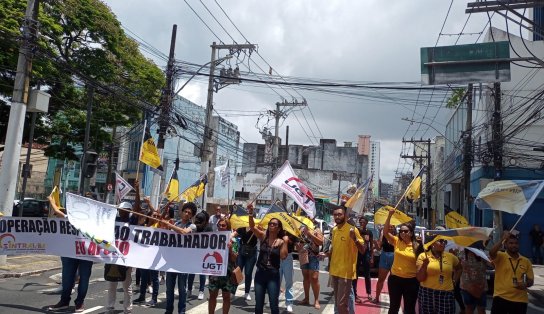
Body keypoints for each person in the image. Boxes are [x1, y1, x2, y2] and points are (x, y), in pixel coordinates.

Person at [47, 192, 94, 313]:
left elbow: (59, 213)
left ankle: (79, 302)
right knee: (67, 277)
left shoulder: (94, 221)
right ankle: (64, 301)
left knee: (84, 278)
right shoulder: (73, 217)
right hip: (69, 252)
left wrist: (51, 201)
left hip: (86, 253)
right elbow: (59, 214)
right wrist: (52, 202)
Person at [248, 204, 288, 314]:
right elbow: (252, 227)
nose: (271, 225)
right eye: (270, 223)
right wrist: (251, 213)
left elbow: (284, 256)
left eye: (274, 224)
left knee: (274, 305)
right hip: (260, 273)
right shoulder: (263, 237)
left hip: (273, 274)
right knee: (258, 305)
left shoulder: (281, 241)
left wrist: (285, 242)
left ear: (279, 228)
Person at [384, 207, 423, 314]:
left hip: (411, 281)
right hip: (395, 279)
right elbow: (385, 232)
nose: (402, 233)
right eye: (400, 231)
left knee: (409, 309)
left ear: (411, 233)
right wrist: (389, 216)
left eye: (405, 231)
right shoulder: (397, 241)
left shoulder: (417, 246)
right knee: (393, 308)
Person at [329, 206, 366, 314]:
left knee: (342, 304)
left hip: (346, 273)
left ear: (345, 216)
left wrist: (354, 238)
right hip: (334, 270)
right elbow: (336, 249)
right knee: (337, 302)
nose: (337, 216)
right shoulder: (335, 230)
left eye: (339, 214)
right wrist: (326, 254)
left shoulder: (353, 229)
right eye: (335, 214)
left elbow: (363, 250)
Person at [489, 231, 534, 314]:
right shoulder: (501, 256)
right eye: (511, 243)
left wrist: (526, 284)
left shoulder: (526, 261)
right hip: (501, 298)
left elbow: (531, 281)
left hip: (520, 300)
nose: (514, 245)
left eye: (516, 243)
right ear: (505, 244)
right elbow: (491, 252)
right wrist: (502, 239)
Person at [106, 201, 138, 314]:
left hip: (126, 259)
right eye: (120, 209)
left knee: (127, 286)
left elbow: (137, 209)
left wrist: (138, 191)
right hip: (113, 258)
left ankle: (128, 309)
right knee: (112, 284)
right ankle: (110, 307)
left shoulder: (132, 221)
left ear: (129, 210)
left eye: (123, 210)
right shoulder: (115, 220)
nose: (121, 211)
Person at [164, 202, 197, 314]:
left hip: (183, 263)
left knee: (182, 290)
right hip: (171, 261)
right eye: (185, 211)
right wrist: (164, 224)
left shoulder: (192, 226)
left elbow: (184, 232)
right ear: (182, 212)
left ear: (191, 216)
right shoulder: (176, 223)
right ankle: (169, 311)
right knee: (169, 289)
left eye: (189, 213)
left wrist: (170, 225)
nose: (187, 214)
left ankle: (181, 312)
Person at [416, 239, 461, 314]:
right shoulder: (423, 256)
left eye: (444, 242)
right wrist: (424, 265)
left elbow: (459, 268)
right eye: (440, 241)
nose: (443, 243)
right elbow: (420, 278)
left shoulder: (451, 257)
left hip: (446, 294)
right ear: (432, 243)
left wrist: (454, 281)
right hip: (427, 292)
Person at [208, 217, 238, 314]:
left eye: (223, 225)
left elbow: (234, 258)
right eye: (219, 225)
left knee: (226, 297)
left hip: (227, 272)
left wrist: (230, 249)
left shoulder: (234, 240)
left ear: (228, 227)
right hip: (215, 271)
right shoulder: (213, 239)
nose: (221, 227)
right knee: (212, 295)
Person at [297, 220, 324, 310]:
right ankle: (306, 298)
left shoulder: (316, 230)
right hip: (303, 255)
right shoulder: (301, 229)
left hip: (313, 256)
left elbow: (320, 242)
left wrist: (310, 234)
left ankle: (316, 300)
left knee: (314, 278)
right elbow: (297, 242)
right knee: (306, 277)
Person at [188, 211, 212, 300]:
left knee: (202, 273)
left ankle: (201, 291)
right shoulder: (193, 227)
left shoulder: (208, 228)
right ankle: (189, 289)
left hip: (203, 254)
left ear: (205, 222)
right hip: (194, 253)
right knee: (191, 272)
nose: (198, 224)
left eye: (200, 222)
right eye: (197, 221)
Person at [459, 249, 488, 314]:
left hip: (481, 286)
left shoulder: (483, 253)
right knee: (469, 308)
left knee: (481, 309)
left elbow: (491, 263)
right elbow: (458, 267)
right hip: (467, 287)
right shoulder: (462, 253)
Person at [353, 216, 374, 303]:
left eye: (363, 222)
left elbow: (371, 245)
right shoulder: (356, 231)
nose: (361, 223)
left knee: (367, 274)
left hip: (366, 254)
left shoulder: (369, 232)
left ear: (366, 223)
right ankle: (354, 293)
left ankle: (369, 293)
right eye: (360, 222)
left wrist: (372, 257)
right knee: (355, 274)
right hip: (357, 253)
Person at [236, 222, 258, 301]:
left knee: (248, 273)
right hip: (242, 252)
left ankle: (247, 293)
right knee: (237, 272)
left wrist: (257, 229)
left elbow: (261, 236)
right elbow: (234, 234)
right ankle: (232, 291)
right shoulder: (242, 227)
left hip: (251, 253)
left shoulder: (256, 228)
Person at [374, 224, 396, 304]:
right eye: (388, 226)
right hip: (384, 256)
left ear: (394, 228)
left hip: (395, 257)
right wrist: (375, 243)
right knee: (381, 279)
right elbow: (378, 248)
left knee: (394, 281)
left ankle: (394, 300)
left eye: (392, 226)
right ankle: (376, 298)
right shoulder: (383, 235)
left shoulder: (398, 236)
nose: (390, 228)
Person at [280, 232, 296, 312]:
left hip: (288, 257)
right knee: (276, 281)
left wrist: (286, 240)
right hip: (277, 256)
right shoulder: (278, 229)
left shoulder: (292, 231)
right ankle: (274, 301)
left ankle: (289, 302)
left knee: (289, 281)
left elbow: (293, 243)